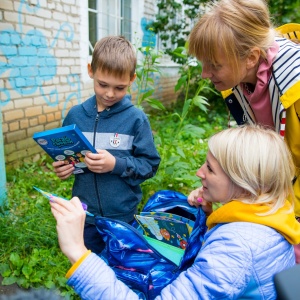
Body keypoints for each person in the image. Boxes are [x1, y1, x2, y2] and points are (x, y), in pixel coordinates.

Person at [50, 125, 300, 299]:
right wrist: (212, 213)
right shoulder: (269, 215)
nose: (199, 173)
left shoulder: (235, 250)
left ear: (243, 182)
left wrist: (77, 252)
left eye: (210, 169)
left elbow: (231, 260)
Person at [187, 0, 300, 262]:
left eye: (214, 65)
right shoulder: (241, 79)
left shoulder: (294, 86)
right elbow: (260, 164)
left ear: (251, 57)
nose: (205, 74)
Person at [52, 36, 161, 254]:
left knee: (121, 268)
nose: (110, 94)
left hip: (123, 216)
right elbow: (66, 157)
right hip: (86, 216)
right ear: (91, 70)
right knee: (88, 265)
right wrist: (63, 167)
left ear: (132, 79)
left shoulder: (136, 120)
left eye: (119, 88)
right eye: (102, 84)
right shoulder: (75, 116)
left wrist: (115, 164)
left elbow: (149, 165)